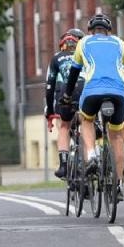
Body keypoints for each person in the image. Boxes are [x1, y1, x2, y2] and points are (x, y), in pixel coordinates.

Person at [64, 12, 124, 201]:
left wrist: (66, 94)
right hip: (119, 93)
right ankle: (118, 185)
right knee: (116, 136)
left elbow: (73, 73)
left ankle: (92, 154)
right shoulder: (120, 43)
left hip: (93, 91)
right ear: (108, 31)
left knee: (86, 119)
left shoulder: (84, 43)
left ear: (90, 31)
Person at [43, 28, 82, 179]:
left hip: (64, 94)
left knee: (64, 126)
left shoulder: (56, 58)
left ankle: (64, 165)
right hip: (86, 92)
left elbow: (49, 87)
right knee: (88, 124)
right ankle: (92, 158)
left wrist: (49, 111)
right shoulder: (85, 56)